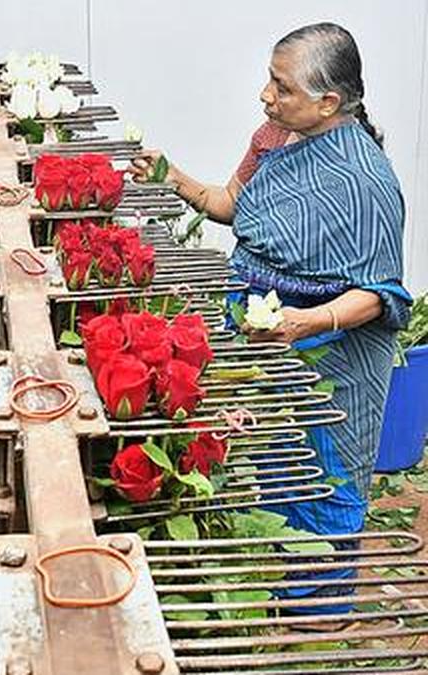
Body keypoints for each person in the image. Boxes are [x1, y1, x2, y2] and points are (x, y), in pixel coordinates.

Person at [130, 23, 412, 536]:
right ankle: (270, 590)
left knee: (326, 477)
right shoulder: (273, 138)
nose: (266, 95)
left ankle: (319, 611)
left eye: (282, 87)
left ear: (328, 102)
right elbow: (232, 206)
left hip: (329, 350)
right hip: (259, 336)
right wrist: (173, 177)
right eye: (270, 80)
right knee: (262, 466)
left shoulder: (366, 180)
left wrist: (308, 322)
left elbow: (380, 295)